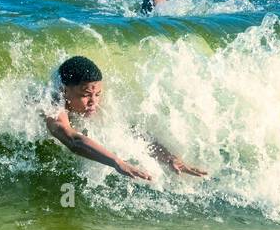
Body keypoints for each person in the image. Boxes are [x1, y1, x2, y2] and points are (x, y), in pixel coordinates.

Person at [42, 56, 207, 181]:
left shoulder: (95, 102)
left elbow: (131, 132)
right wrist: (116, 162)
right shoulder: (51, 104)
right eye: (86, 95)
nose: (93, 102)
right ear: (65, 91)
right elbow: (73, 141)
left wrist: (169, 157)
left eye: (98, 94)